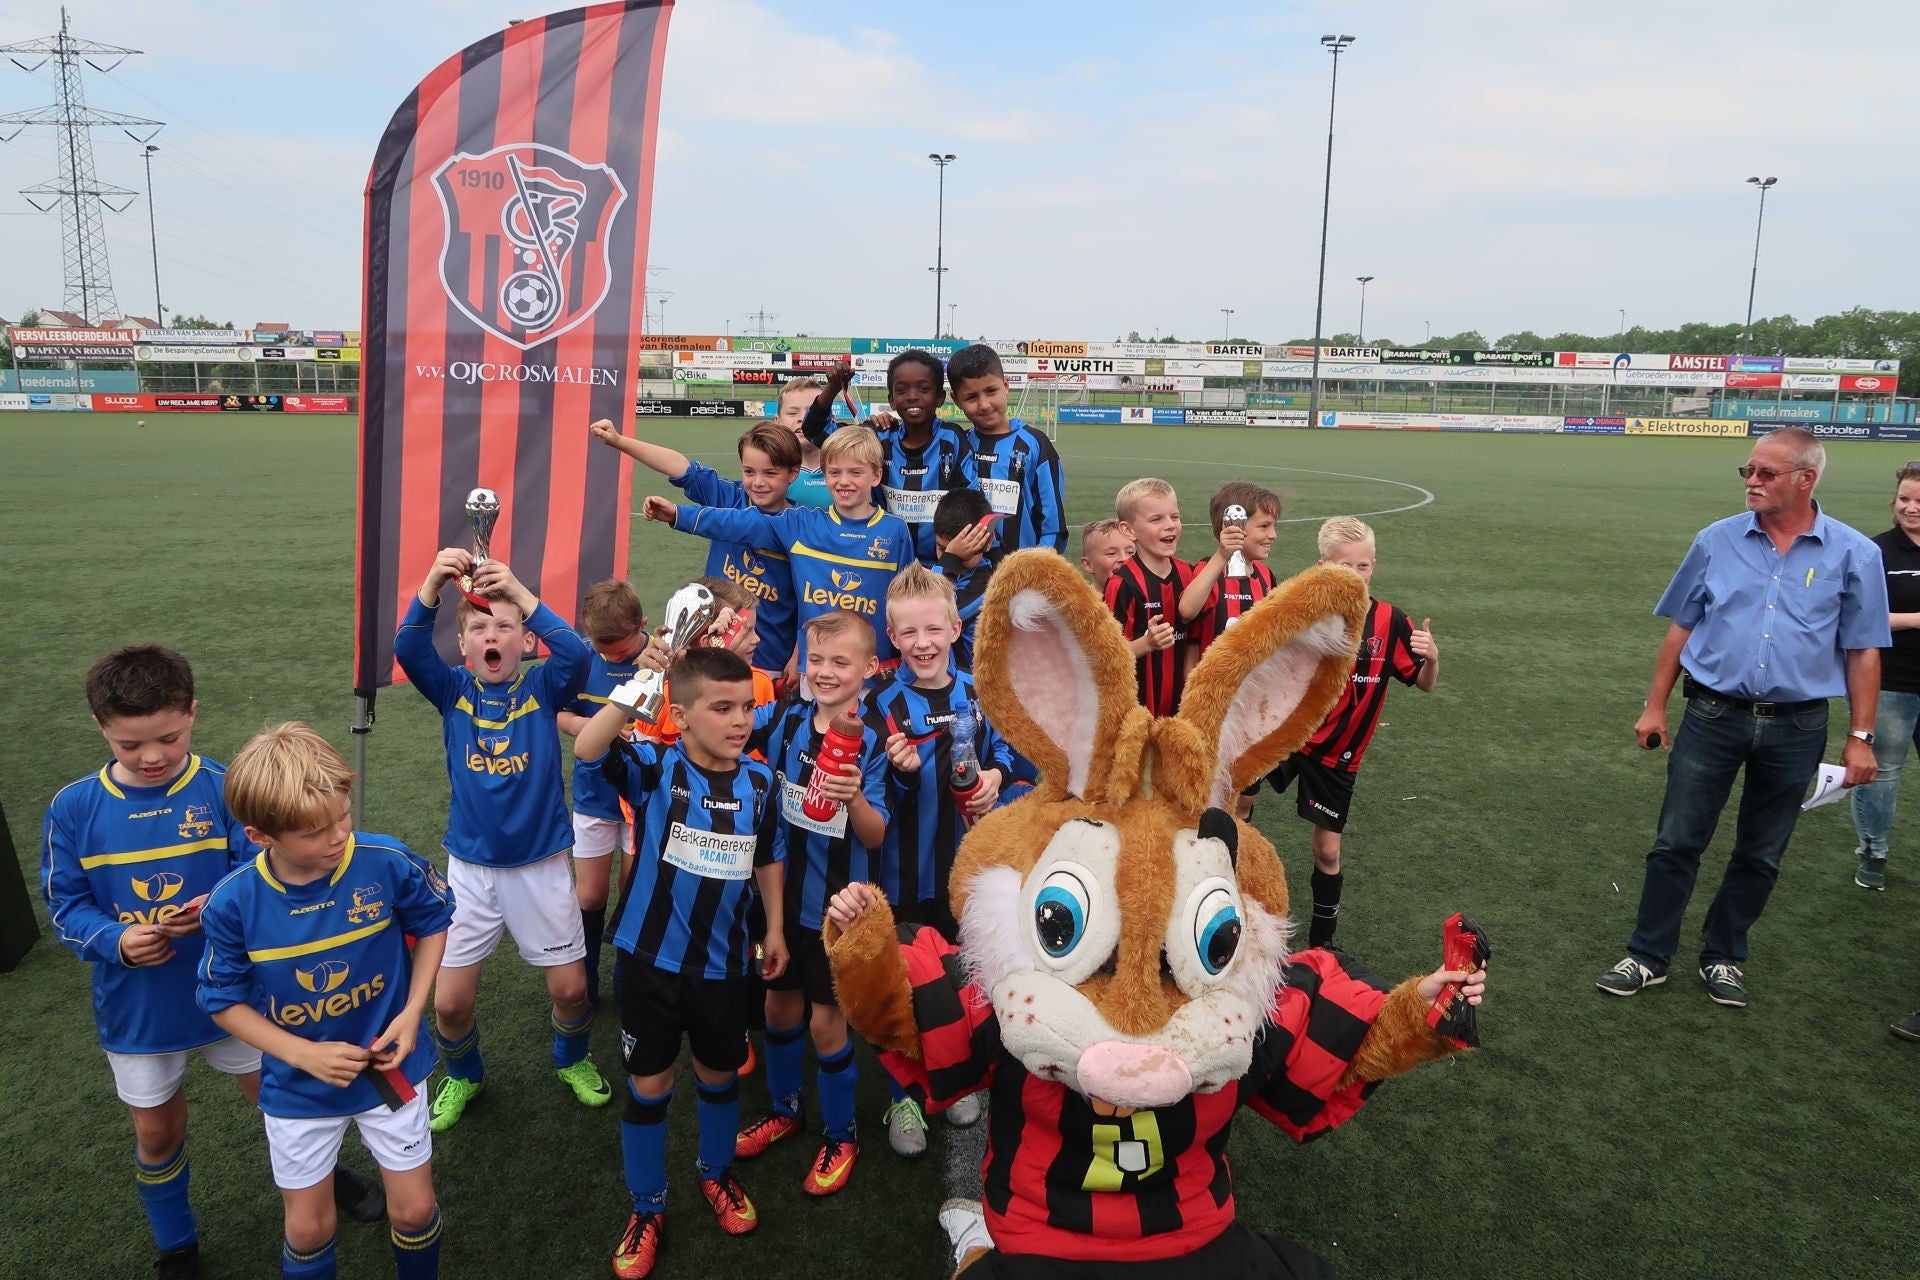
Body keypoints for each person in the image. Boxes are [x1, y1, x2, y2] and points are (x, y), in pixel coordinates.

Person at [41, 645, 381, 1280]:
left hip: (241, 994)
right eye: (129, 744)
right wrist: (116, 939)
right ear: (100, 727)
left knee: (282, 1098)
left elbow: (263, 869)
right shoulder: (74, 807)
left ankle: (327, 1176)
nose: (152, 756)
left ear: (192, 713)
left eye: (168, 738)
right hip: (140, 1006)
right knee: (157, 1133)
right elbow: (65, 906)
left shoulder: (225, 789)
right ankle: (177, 1244)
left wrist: (217, 907)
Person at [1600, 427, 1887, 1008]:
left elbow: (1864, 650)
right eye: (1748, 471)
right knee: (1676, 841)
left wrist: (1861, 736)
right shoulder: (1716, 540)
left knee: (1761, 851)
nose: (1752, 482)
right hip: (1711, 715)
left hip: (1798, 726)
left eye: (1766, 473)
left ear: (1806, 479)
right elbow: (1680, 628)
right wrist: (1655, 706)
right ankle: (1648, 955)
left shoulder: (1856, 553)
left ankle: (1723, 956)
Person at [197, 723, 454, 1280]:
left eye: (343, 816)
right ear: (260, 836)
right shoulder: (233, 903)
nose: (338, 836)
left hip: (390, 1070)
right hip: (298, 1085)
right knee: (309, 1228)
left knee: (414, 1211)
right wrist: (303, 1054)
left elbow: (434, 923)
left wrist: (412, 1012)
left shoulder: (385, 861)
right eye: (315, 832)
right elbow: (222, 1000)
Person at [573, 646, 788, 1279]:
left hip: (725, 968)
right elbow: (588, 747)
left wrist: (775, 927)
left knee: (719, 1077)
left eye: (745, 707)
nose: (739, 720)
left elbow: (768, 855)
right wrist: (639, 684)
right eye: (721, 708)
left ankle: (715, 1174)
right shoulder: (656, 765)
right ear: (681, 714)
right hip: (651, 962)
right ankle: (647, 1206)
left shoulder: (760, 783)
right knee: (650, 1086)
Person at [394, 550, 611, 1130]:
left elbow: (577, 653)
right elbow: (408, 648)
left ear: (526, 641)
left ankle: (572, 1058)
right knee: (449, 1003)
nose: (492, 636)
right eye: (480, 629)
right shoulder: (451, 690)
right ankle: (464, 1075)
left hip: (540, 867)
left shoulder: (542, 687)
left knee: (571, 992)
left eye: (506, 627)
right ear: (463, 645)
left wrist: (519, 591)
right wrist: (433, 582)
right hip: (470, 871)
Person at [733, 611, 890, 1195]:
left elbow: (876, 835)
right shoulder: (782, 718)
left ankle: (841, 1134)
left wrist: (853, 800)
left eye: (840, 662)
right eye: (815, 659)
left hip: (836, 915)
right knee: (778, 1010)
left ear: (868, 668)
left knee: (826, 1024)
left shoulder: (874, 739)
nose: (825, 672)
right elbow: (727, 723)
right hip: (778, 904)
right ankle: (785, 1108)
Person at [870, 564, 1013, 1154]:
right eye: (908, 632)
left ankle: (958, 1078)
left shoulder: (981, 692)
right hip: (902, 873)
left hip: (968, 870)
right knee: (904, 982)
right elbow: (871, 800)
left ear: (956, 628)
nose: (922, 642)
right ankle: (904, 1095)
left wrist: (996, 775)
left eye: (933, 629)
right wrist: (900, 774)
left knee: (963, 974)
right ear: (892, 636)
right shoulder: (880, 701)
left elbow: (1010, 754)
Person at [1272, 517, 1438, 948]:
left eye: (1363, 566)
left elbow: (1423, 683)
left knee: (1328, 850)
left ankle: (1322, 944)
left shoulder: (1389, 621)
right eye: (1344, 567)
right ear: (1323, 567)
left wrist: (1432, 659)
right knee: (1237, 803)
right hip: (1287, 736)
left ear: (1374, 566)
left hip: (1337, 754)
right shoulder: (1303, 612)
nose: (1355, 575)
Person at [645, 426, 913, 675]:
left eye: (855, 473)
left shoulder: (894, 531)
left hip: (873, 668)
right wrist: (678, 514)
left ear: (876, 476)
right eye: (834, 472)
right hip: (815, 668)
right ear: (824, 475)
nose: (844, 481)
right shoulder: (802, 524)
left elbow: (905, 600)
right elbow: (740, 523)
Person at [590, 418, 800, 675]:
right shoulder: (730, 498)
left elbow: (806, 601)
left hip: (768, 660)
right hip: (710, 651)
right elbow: (682, 468)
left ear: (793, 473)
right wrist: (618, 440)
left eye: (770, 473)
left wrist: (798, 655)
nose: (758, 482)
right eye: (749, 471)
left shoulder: (800, 526)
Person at [557, 579, 650, 1007]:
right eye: (603, 648)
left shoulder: (660, 656)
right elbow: (560, 713)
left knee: (632, 892)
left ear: (642, 625)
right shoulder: (580, 658)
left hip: (642, 799)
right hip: (594, 796)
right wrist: (596, 727)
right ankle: (587, 976)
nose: (612, 656)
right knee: (590, 895)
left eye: (621, 649)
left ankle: (626, 978)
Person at [807, 352, 975, 567]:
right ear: (891, 400)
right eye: (902, 390)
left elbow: (971, 499)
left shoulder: (952, 439)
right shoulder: (879, 437)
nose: (912, 396)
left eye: (923, 389)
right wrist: (832, 387)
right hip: (884, 564)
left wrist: (952, 559)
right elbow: (815, 431)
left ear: (940, 398)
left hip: (941, 567)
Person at [1179, 483, 1284, 818]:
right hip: (1214, 709)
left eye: (1273, 526)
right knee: (1207, 796)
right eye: (1264, 526)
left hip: (1252, 708)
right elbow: (1187, 612)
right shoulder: (1209, 572)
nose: (1273, 535)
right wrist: (1222, 556)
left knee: (1243, 797)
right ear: (1233, 526)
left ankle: (1238, 846)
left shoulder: (1265, 576)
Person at [1849, 464, 1920, 892]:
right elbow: (1861, 619)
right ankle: (1873, 852)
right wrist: (1915, 619)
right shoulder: (1875, 551)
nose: (1911, 508)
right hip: (1891, 682)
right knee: (1883, 772)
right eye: (1904, 499)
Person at [947, 344, 1068, 554]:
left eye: (991, 391)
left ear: (1006, 385)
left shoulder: (1035, 444)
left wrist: (1037, 568)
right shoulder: (958, 445)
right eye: (971, 397)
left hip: (1024, 571)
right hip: (969, 571)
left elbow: (1053, 526)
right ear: (956, 400)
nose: (984, 404)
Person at [1104, 477, 1196, 717]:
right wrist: (1147, 644)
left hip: (1185, 710)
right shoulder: (1122, 584)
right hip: (1137, 712)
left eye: (1174, 516)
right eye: (1156, 519)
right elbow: (1108, 658)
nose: (1170, 525)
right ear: (1128, 530)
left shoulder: (1190, 574)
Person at [929, 487, 998, 668]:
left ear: (988, 543)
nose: (954, 559)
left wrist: (950, 558)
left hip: (970, 682)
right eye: (942, 549)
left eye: (964, 552)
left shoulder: (989, 588)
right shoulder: (940, 570)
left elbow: (934, 613)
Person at [775, 377, 833, 508]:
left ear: (831, 420)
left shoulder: (851, 468)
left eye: (813, 413)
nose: (802, 418)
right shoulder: (770, 472)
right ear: (777, 422)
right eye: (792, 413)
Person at [1078, 518, 1134, 592]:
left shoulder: (1148, 596)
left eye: (1130, 552)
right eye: (1111, 553)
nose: (1124, 558)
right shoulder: (1079, 599)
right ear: (1088, 565)